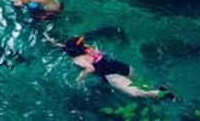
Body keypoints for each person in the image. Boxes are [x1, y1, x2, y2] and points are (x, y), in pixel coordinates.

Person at [45, 34, 174, 99]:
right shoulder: (88, 48)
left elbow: (90, 68)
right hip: (121, 66)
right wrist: (54, 43)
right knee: (138, 84)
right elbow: (68, 48)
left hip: (112, 74)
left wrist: (79, 79)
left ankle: (164, 94)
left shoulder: (78, 59)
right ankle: (157, 90)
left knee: (135, 93)